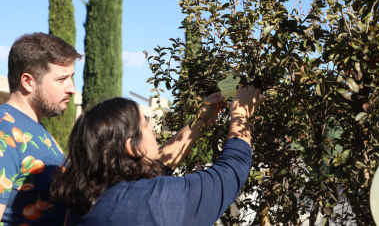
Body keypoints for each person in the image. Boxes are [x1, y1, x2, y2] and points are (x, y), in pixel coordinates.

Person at [52, 86, 267, 226]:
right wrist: (240, 114)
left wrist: (200, 121)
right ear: (132, 147)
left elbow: (154, 165)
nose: (153, 129)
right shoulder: (152, 201)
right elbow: (230, 172)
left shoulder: (85, 200)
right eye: (146, 125)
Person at [0, 32, 82, 225]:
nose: (72, 88)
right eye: (62, 79)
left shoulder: (33, 126)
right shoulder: (5, 130)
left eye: (71, 77)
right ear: (28, 82)